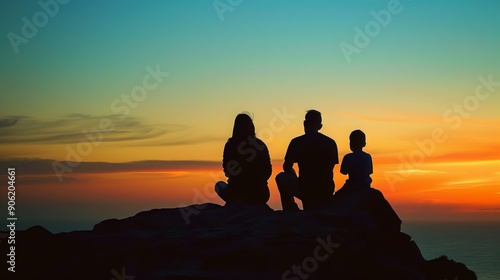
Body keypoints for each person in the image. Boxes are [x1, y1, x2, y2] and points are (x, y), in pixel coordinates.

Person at [276, 110, 339, 210]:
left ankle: (290, 210)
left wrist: (296, 177)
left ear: (304, 123)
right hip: (325, 190)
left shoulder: (296, 142)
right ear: (320, 126)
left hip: (305, 188)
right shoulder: (330, 143)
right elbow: (330, 168)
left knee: (281, 177)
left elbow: (287, 167)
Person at [215, 113, 272, 205]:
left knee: (219, 185)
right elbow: (268, 171)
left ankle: (236, 202)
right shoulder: (260, 144)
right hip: (261, 195)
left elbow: (226, 171)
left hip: (237, 194)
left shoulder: (230, 145)